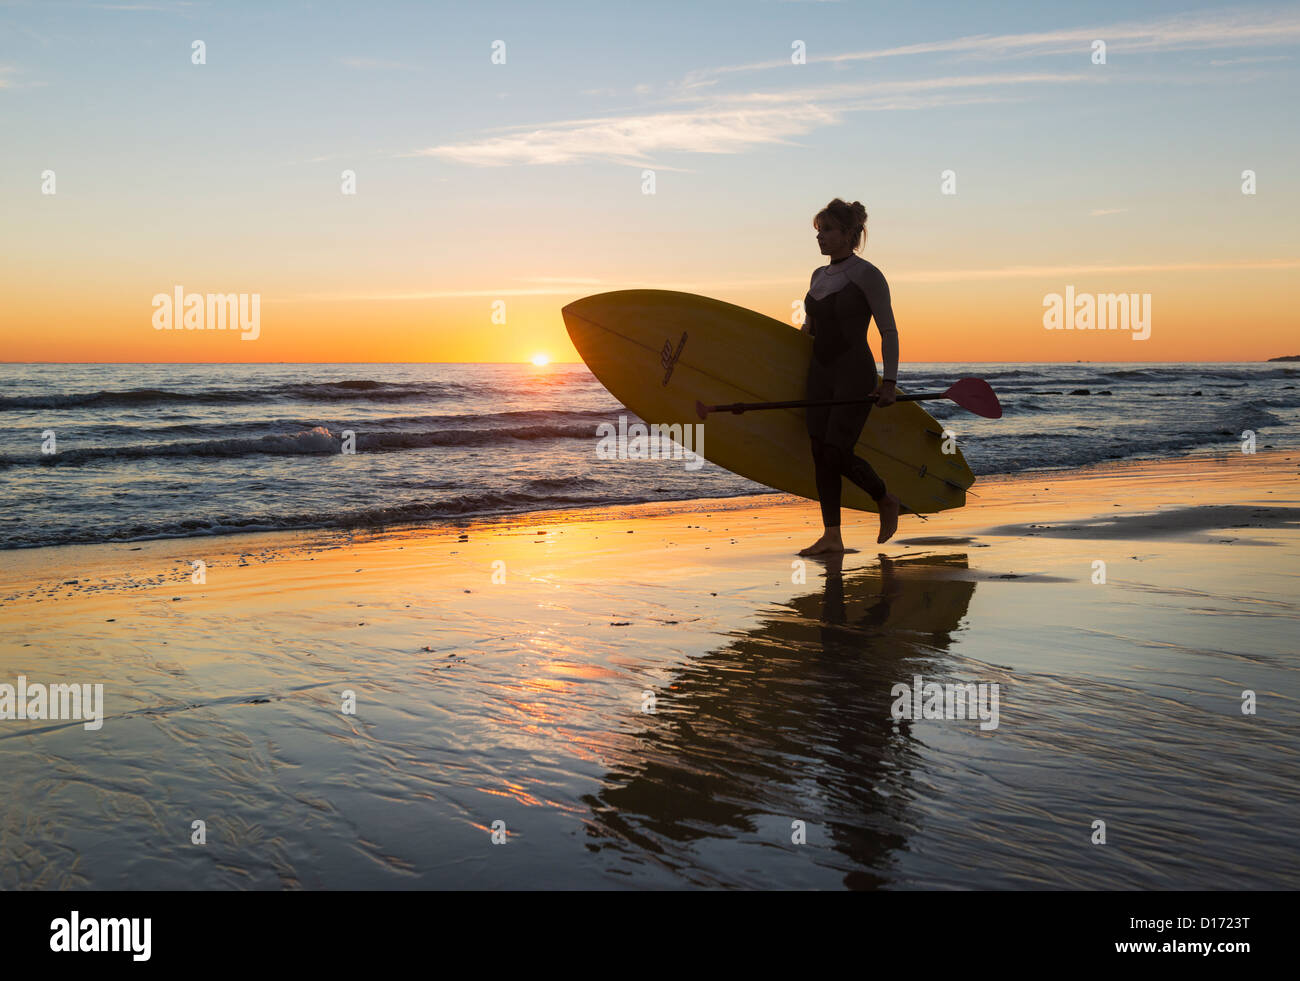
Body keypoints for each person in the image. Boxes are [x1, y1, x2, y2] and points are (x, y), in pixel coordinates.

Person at [798, 198, 902, 555]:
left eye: (827, 230)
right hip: (819, 373)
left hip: (853, 373)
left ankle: (885, 498)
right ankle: (832, 536)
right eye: (818, 231)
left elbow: (888, 330)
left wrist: (889, 382)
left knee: (835, 451)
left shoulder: (867, 274)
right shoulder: (817, 276)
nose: (820, 237)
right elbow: (808, 330)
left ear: (848, 233)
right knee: (818, 451)